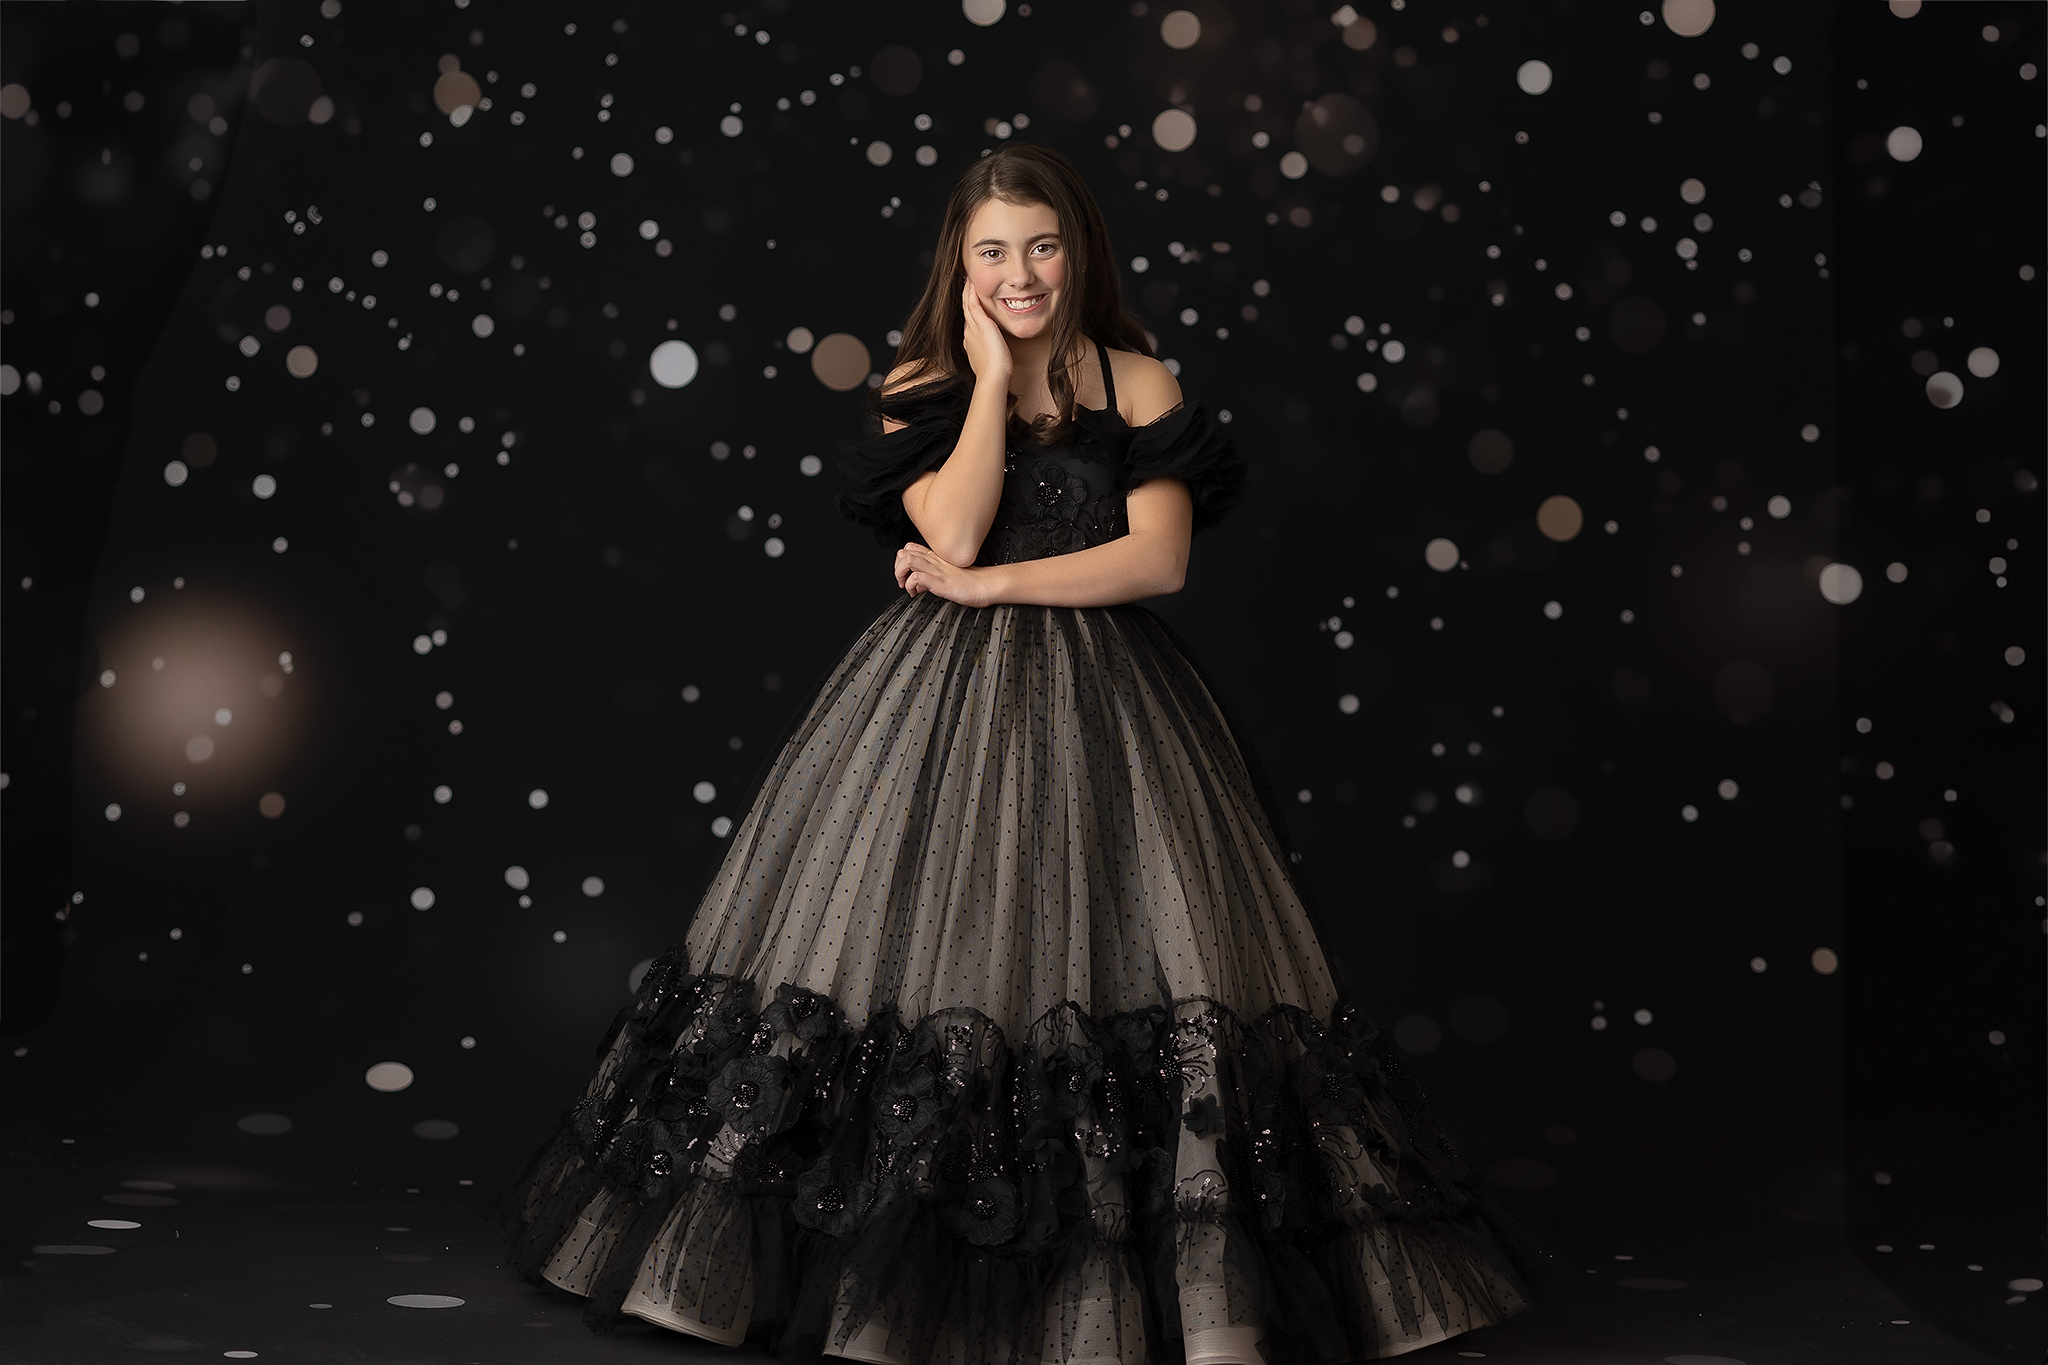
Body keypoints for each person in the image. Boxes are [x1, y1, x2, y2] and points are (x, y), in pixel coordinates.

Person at [491, 143, 1564, 1365]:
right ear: (960, 263)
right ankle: (889, 1286)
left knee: (1128, 952)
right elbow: (944, 516)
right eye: (992, 250)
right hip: (932, 710)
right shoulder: (922, 382)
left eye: (1041, 246)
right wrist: (991, 381)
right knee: (927, 950)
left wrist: (983, 583)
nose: (1020, 271)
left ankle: (1147, 1294)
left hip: (1115, 705)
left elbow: (1154, 564)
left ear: (1079, 250)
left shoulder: (1140, 382)